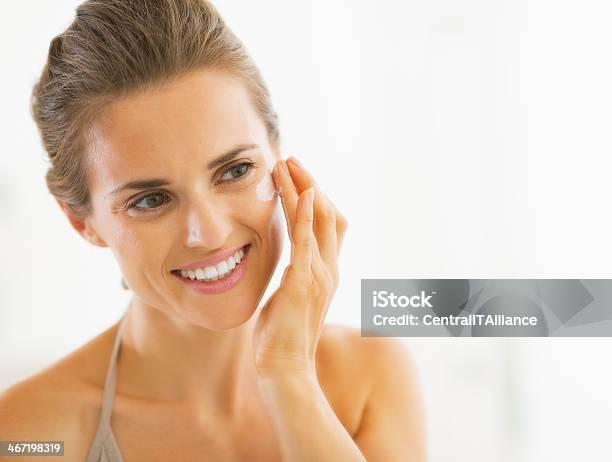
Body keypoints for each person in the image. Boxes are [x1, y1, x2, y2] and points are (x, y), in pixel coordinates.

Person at [0, 1, 426, 460]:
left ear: (279, 156)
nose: (208, 231)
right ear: (81, 221)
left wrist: (288, 376)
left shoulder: (370, 376)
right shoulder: (29, 432)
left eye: (236, 170)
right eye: (150, 200)